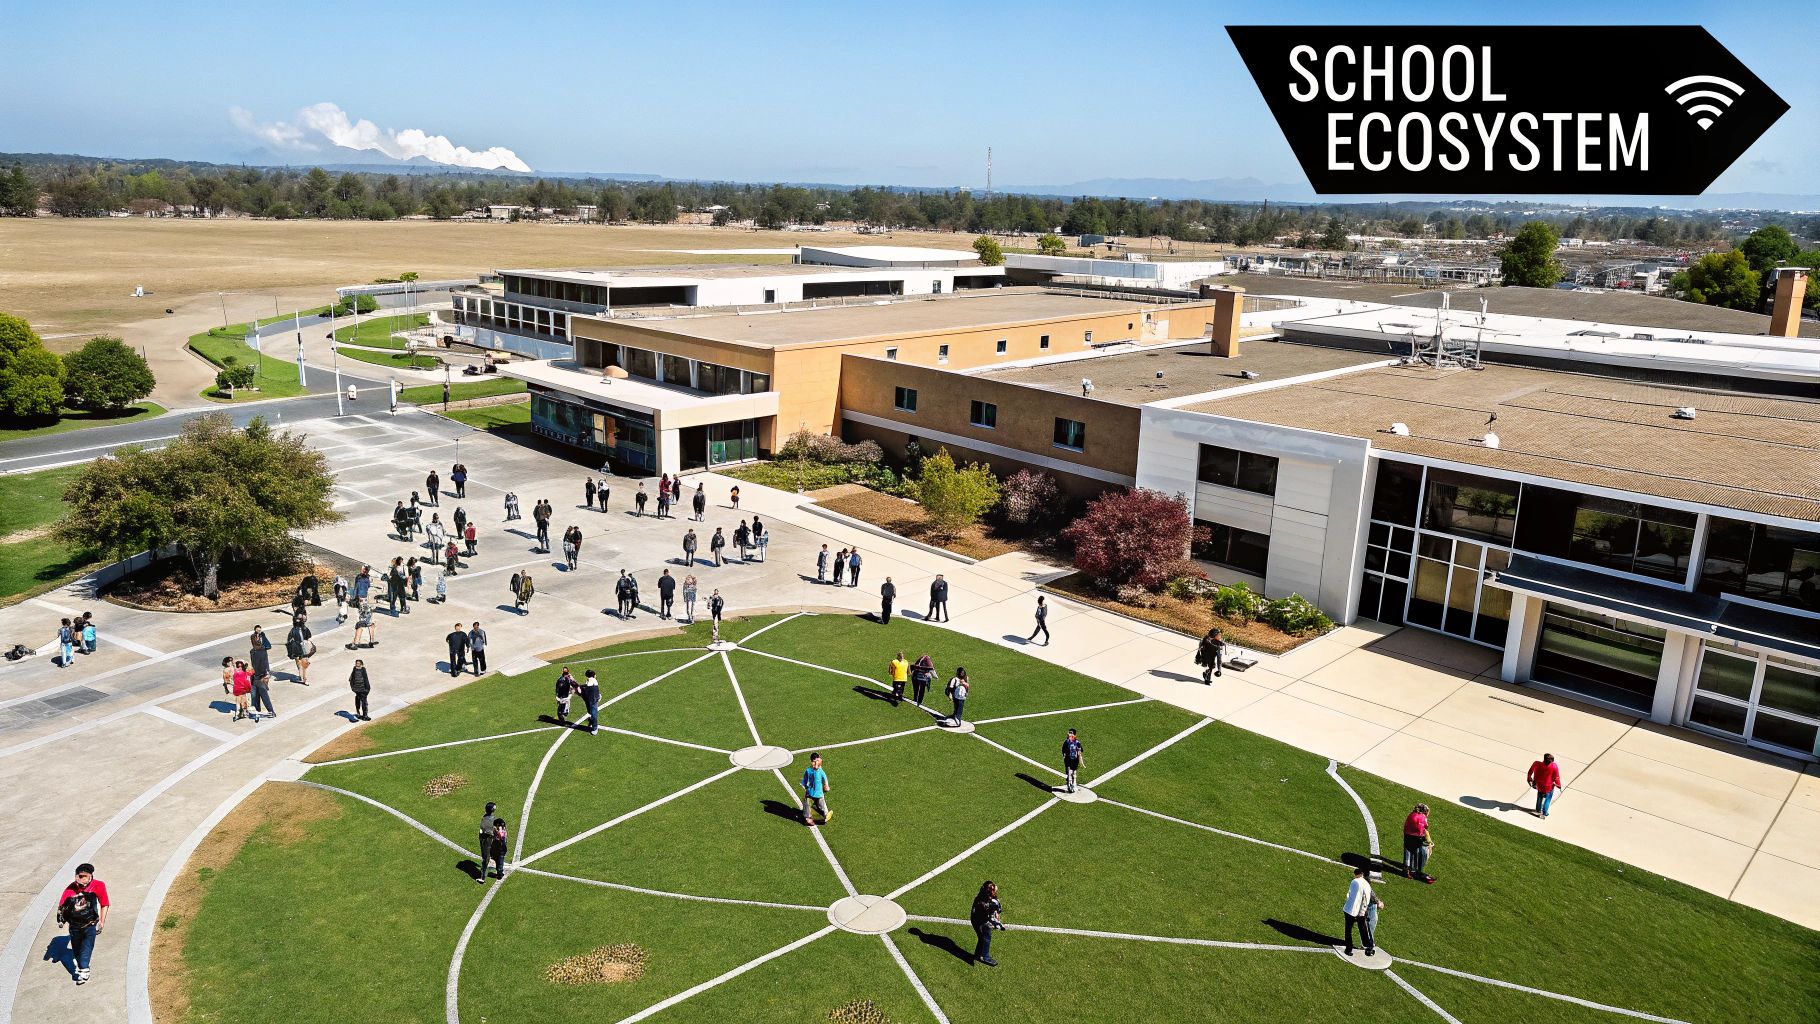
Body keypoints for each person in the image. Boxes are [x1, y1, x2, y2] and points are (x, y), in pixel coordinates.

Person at [55, 864, 109, 985]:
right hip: (74, 926)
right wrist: (61, 919)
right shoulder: (71, 888)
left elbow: (105, 903)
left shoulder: (99, 885)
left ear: (90, 876)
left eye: (82, 876)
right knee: (77, 949)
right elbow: (62, 906)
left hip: (90, 925)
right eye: (77, 876)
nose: (78, 879)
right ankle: (82, 965)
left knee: (87, 947)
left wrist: (102, 921)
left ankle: (84, 970)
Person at [1343, 867, 1376, 957]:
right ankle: (1368, 947)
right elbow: (1366, 899)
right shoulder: (1366, 885)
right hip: (1359, 911)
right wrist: (1363, 911)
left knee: (1348, 930)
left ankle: (1348, 949)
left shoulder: (1354, 882)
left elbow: (1348, 895)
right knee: (1363, 929)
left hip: (1349, 910)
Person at [970, 881, 1003, 967]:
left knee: (982, 937)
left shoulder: (989, 897)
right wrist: (993, 921)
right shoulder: (982, 903)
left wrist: (996, 913)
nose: (994, 892)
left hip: (982, 918)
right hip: (978, 920)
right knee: (985, 936)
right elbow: (983, 913)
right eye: (991, 891)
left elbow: (997, 908)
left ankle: (978, 954)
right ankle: (984, 956)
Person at [1403, 803, 1433, 883]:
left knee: (1407, 851)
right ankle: (1415, 870)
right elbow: (1425, 830)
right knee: (1418, 852)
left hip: (1407, 835)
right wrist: (1429, 842)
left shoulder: (1411, 814)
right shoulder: (1423, 818)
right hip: (1417, 837)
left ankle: (1406, 870)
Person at [800, 752, 831, 826]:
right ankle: (808, 818)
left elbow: (824, 777)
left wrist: (826, 785)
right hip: (810, 792)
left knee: (821, 804)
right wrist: (806, 789)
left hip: (819, 792)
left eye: (818, 760)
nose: (817, 762)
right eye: (815, 761)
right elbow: (805, 780)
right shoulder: (808, 770)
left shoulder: (820, 771)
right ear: (812, 761)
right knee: (807, 804)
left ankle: (825, 814)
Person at [1527, 753, 1563, 818]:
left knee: (1539, 796)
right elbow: (1556, 777)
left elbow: (1530, 772)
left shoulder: (1537, 764)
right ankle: (1544, 812)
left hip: (1539, 785)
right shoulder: (1554, 766)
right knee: (1548, 799)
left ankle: (1538, 810)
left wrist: (1529, 778)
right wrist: (1559, 785)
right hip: (1549, 787)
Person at [476, 802, 499, 884]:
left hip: (488, 840)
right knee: (488, 857)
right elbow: (486, 830)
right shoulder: (490, 819)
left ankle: (483, 877)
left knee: (486, 858)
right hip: (487, 840)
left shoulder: (486, 818)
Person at [285, 618, 314, 685]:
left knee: (303, 663)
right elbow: (289, 639)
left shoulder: (304, 629)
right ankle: (301, 676)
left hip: (303, 647)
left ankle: (304, 678)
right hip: (296, 647)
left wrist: (307, 642)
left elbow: (309, 636)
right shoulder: (294, 630)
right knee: (299, 662)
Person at [483, 816, 507, 881]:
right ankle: (498, 870)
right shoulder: (501, 831)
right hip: (496, 849)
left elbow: (499, 837)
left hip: (500, 850)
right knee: (496, 860)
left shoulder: (501, 834)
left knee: (500, 862)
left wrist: (496, 831)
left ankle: (500, 874)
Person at [1061, 728, 1085, 793]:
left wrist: (1080, 760)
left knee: (1074, 772)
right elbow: (1063, 750)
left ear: (1074, 735)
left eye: (1071, 733)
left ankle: (1074, 784)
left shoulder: (1077, 743)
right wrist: (1064, 756)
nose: (1069, 734)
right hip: (1068, 760)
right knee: (1069, 773)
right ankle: (1069, 785)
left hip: (1075, 760)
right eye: (1069, 732)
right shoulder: (1066, 742)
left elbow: (1080, 751)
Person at [579, 669, 602, 735]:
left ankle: (595, 728)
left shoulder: (592, 680)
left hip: (593, 699)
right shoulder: (590, 680)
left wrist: (580, 688)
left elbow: (588, 685)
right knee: (590, 712)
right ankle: (592, 720)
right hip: (589, 698)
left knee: (594, 714)